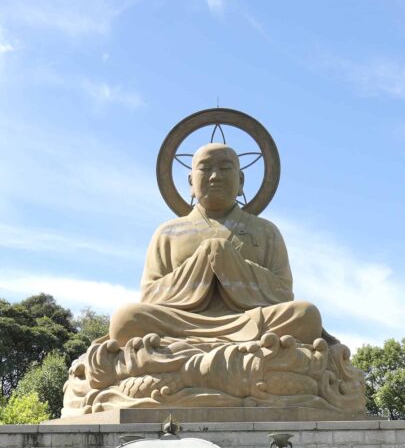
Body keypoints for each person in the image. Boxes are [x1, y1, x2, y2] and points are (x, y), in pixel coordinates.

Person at [108, 142, 323, 345]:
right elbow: (150, 294)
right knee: (126, 319)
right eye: (205, 168)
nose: (215, 176)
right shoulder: (168, 232)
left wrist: (229, 263)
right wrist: (203, 261)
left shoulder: (266, 231)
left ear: (241, 181)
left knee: (306, 314)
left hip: (251, 320)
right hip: (182, 321)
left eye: (225, 168)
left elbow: (283, 292)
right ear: (191, 182)